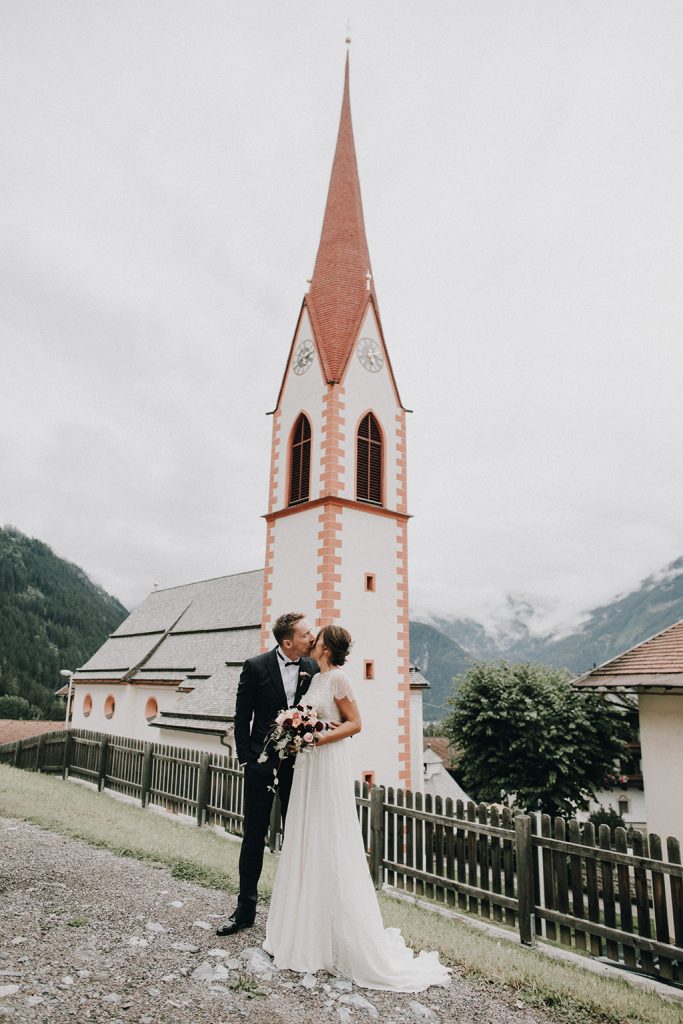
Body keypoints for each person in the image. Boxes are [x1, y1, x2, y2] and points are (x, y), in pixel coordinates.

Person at [262, 625, 451, 992]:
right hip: (308, 766)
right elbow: (315, 718)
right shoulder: (316, 679)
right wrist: (297, 731)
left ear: (326, 647)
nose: (310, 641)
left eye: (315, 638)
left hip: (326, 761)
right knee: (305, 834)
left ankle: (334, 940)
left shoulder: (339, 680)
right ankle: (303, 931)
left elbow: (356, 723)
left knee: (328, 835)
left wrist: (315, 736)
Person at [216, 612, 318, 936]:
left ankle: (294, 914)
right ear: (288, 642)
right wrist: (246, 758)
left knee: (297, 836)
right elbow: (242, 714)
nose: (311, 637)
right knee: (254, 836)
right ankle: (244, 911)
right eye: (305, 634)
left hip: (298, 766)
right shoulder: (255, 666)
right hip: (262, 764)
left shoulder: (312, 668)